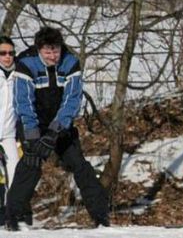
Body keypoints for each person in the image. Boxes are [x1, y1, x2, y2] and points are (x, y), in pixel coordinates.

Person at [5, 27, 109, 231]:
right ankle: (13, 218)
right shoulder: (26, 64)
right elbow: (23, 102)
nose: (53, 56)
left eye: (56, 51)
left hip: (61, 124)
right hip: (33, 122)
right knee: (31, 163)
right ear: (39, 50)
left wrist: (55, 132)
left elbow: (72, 101)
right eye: (48, 52)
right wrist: (34, 137)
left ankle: (101, 217)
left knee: (79, 165)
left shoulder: (70, 62)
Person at [0, 36, 20, 225]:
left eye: (11, 53)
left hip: (8, 134)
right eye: (3, 53)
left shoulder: (18, 75)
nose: (7, 57)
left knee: (15, 171)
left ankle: (11, 213)